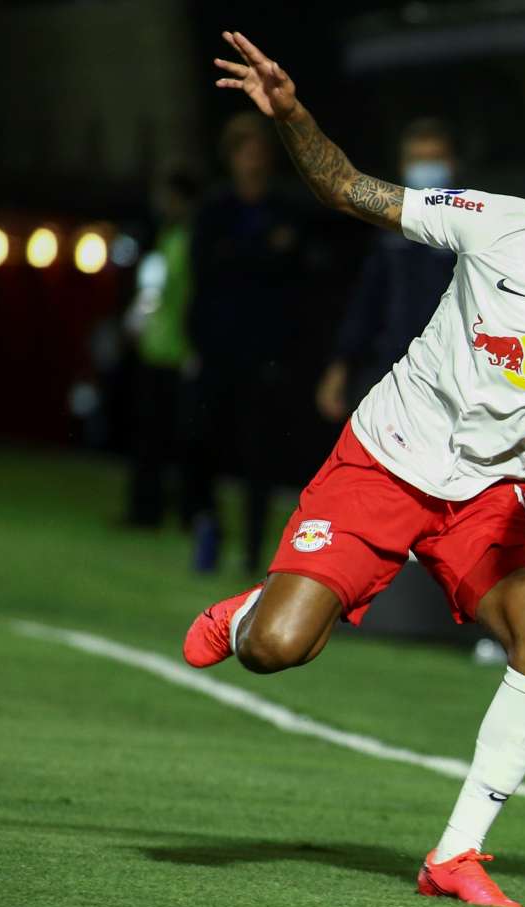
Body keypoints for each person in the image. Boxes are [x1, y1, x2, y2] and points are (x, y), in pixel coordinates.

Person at [183, 30, 525, 907]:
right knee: (279, 649)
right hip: (386, 460)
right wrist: (291, 112)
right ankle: (251, 616)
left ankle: (456, 854)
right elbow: (350, 189)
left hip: (494, 497)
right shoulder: (500, 225)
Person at [187, 110, 310, 573]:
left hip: (265, 354)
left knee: (259, 455)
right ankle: (207, 527)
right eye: (244, 150)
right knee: (203, 443)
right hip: (217, 348)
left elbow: (294, 277)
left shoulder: (285, 209)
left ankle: (255, 550)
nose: (252, 159)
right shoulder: (215, 210)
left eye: (259, 149)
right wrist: (261, 252)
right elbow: (208, 271)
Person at [315, 118, 459, 422]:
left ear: (451, 163)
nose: (426, 169)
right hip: (394, 371)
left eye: (434, 159)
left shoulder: (467, 230)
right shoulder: (390, 233)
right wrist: (339, 368)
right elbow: (366, 303)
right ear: (403, 165)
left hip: (455, 378)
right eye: (418, 160)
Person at [124, 164, 201, 529]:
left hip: (177, 352)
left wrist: (194, 347)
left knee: (176, 439)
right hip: (156, 349)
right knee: (151, 436)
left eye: (167, 196)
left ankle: (175, 511)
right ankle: (147, 510)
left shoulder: (187, 240)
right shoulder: (167, 236)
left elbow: (187, 297)